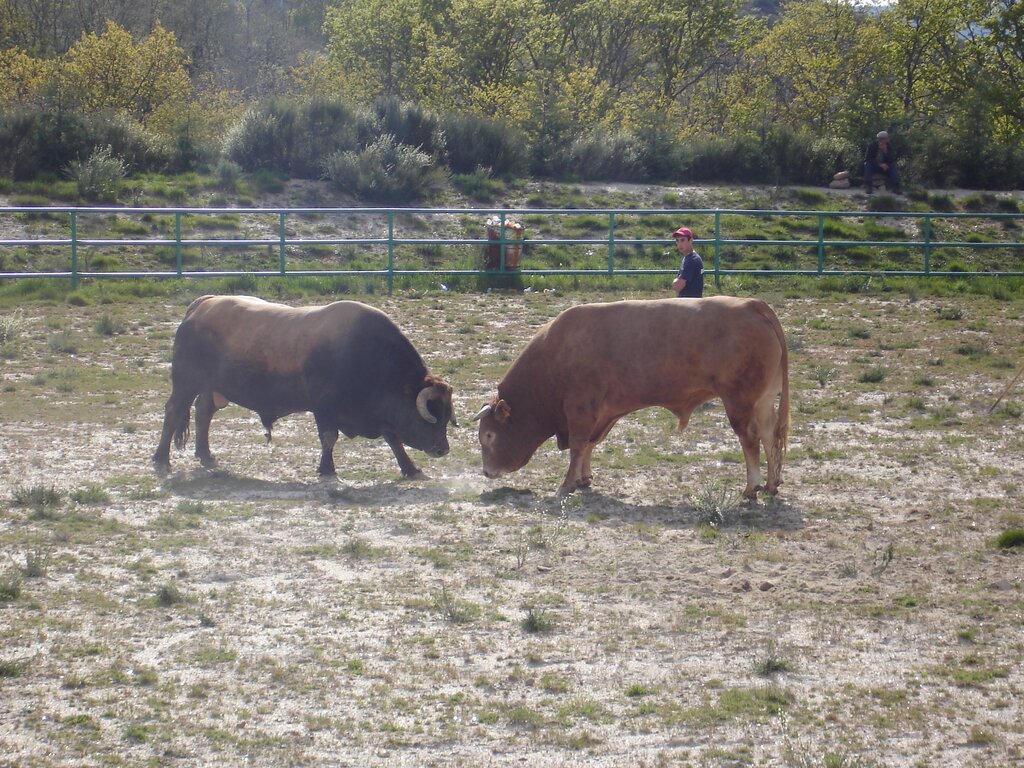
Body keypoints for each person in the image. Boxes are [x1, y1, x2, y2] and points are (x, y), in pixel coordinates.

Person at [864, 130, 901, 195]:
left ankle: (896, 187)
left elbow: (892, 159)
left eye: (884, 139)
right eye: (880, 139)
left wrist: (885, 151)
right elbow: (868, 158)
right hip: (875, 166)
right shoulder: (872, 146)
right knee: (868, 165)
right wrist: (879, 164)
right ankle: (868, 186)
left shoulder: (889, 147)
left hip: (885, 167)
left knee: (893, 166)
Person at [670, 227, 704, 298]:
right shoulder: (689, 258)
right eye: (677, 240)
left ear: (690, 240)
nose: (679, 244)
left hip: (688, 304)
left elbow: (677, 287)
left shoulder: (692, 260)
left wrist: (675, 282)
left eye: (682, 240)